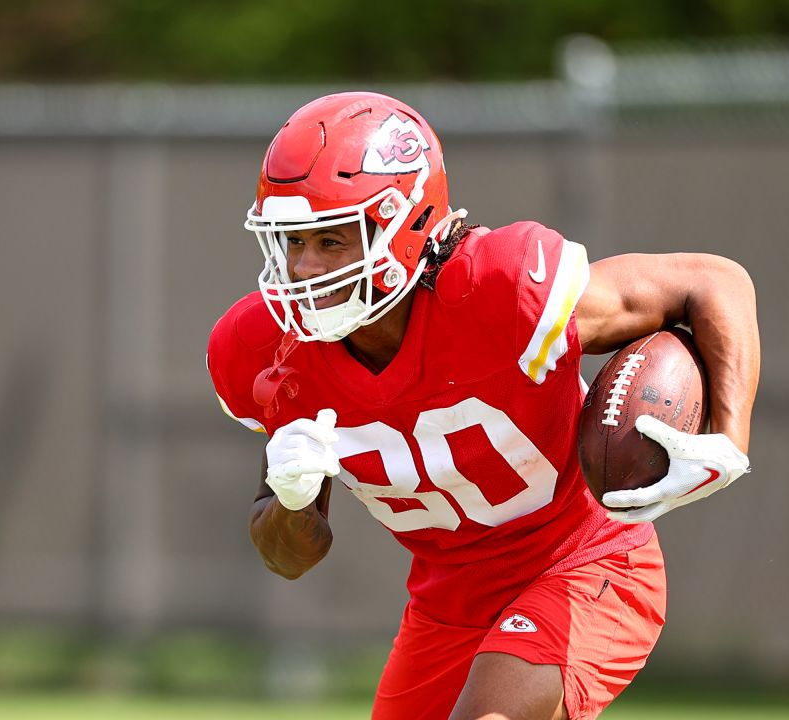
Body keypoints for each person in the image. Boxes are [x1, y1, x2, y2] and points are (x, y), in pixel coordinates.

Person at [206, 92, 758, 720]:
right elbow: (288, 555)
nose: (304, 269)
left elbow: (714, 280)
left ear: (405, 225)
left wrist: (729, 438)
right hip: (448, 608)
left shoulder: (502, 289)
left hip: (587, 562)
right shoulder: (270, 352)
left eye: (332, 241)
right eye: (292, 241)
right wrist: (294, 499)